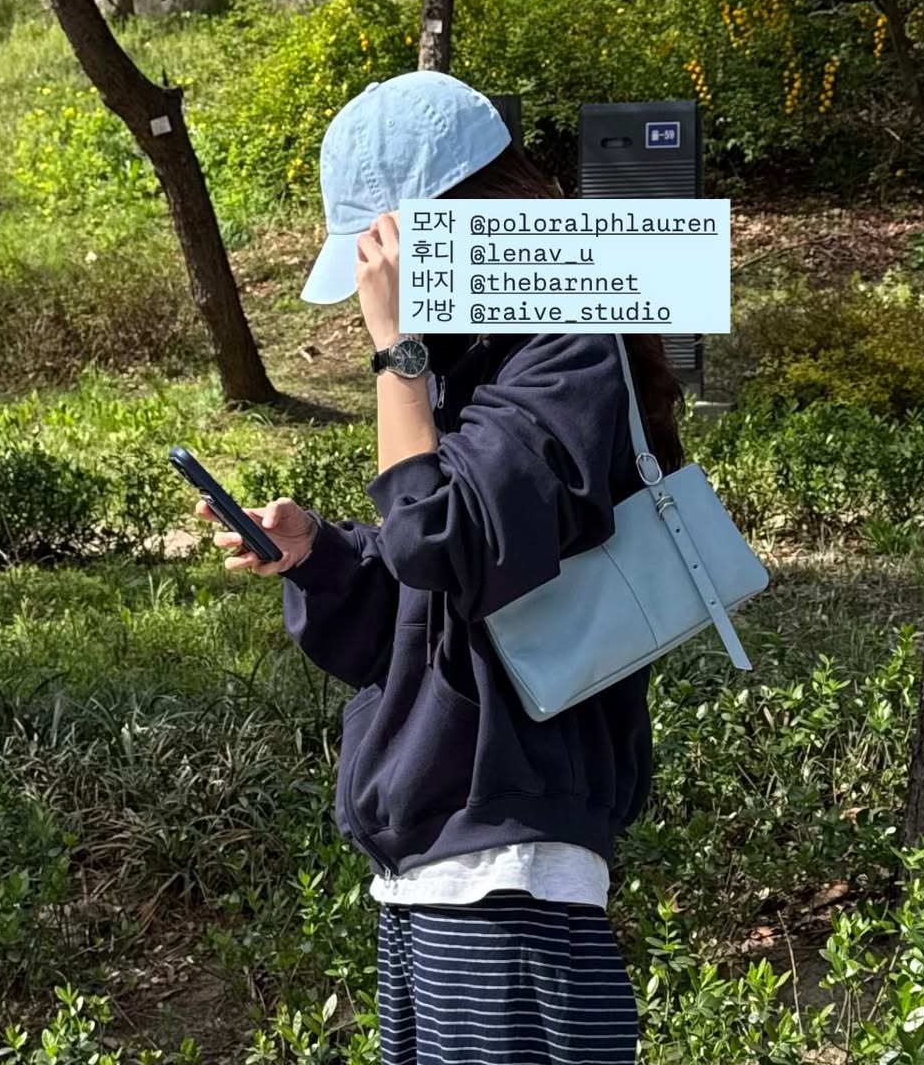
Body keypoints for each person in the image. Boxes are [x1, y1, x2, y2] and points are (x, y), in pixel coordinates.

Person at [198, 71, 684, 1064]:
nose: (370, 298)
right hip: (436, 865)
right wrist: (322, 555)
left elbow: (440, 535)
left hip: (509, 865)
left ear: (432, 230)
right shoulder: (469, 368)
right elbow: (425, 599)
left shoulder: (563, 352)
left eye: (375, 262)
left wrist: (398, 356)